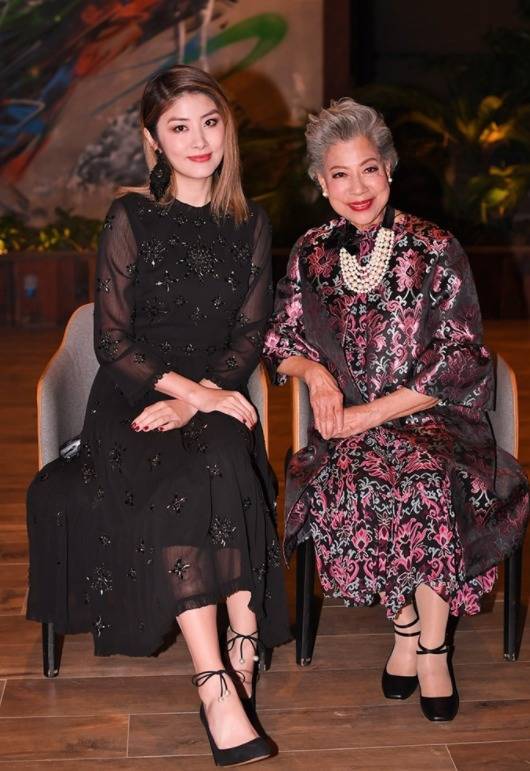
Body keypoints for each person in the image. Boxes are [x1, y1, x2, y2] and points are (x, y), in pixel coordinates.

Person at [26, 64, 290, 765]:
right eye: (179, 127)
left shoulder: (251, 222)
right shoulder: (131, 216)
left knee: (225, 454)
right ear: (154, 140)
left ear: (227, 129)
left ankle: (243, 646)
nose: (198, 140)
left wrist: (201, 397)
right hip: (133, 394)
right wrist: (187, 396)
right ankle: (215, 683)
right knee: (182, 479)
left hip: (212, 388)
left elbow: (249, 335)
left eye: (210, 122)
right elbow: (111, 342)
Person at [263, 98, 529, 722]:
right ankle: (404, 626)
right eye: (340, 174)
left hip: (439, 421)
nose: (357, 188)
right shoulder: (310, 252)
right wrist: (315, 373)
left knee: (429, 483)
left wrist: (370, 414)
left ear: (389, 168)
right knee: (352, 481)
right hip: (347, 428)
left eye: (369, 169)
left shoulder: (435, 248)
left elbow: (459, 358)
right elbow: (278, 340)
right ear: (320, 182)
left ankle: (432, 648)